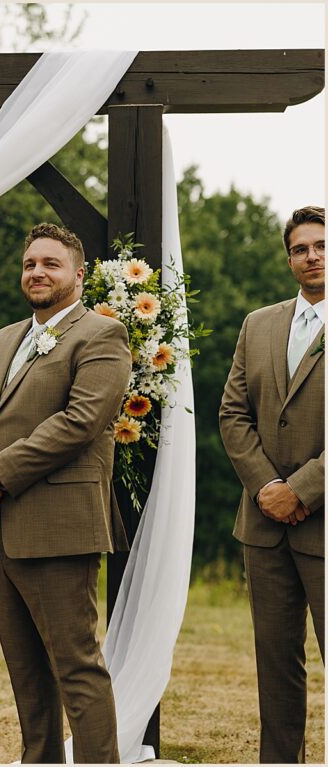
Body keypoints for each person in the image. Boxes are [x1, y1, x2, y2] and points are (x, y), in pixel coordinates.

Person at [0, 222, 130, 763]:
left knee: (75, 667)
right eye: (30, 264)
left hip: (59, 525)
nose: (37, 272)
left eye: (50, 263)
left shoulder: (100, 335)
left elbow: (80, 421)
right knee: (25, 670)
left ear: (78, 273)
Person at [219, 205, 324, 764]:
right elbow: (232, 414)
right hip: (264, 527)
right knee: (275, 663)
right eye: (300, 248)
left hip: (324, 524)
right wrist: (267, 489)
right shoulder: (257, 324)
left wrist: (301, 490)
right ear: (288, 259)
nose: (311, 255)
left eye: (321, 245)